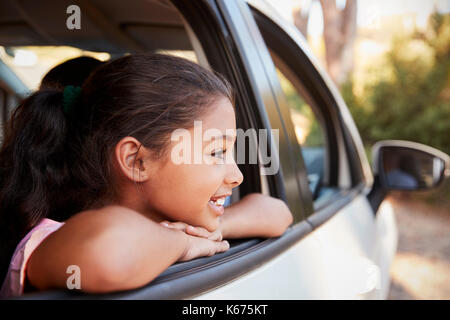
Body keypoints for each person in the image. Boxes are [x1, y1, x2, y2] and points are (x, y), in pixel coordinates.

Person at [0, 53, 293, 298]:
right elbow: (107, 251)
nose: (237, 175)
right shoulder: (51, 241)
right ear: (137, 161)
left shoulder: (179, 216)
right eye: (216, 152)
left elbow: (277, 212)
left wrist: (213, 229)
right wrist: (184, 243)